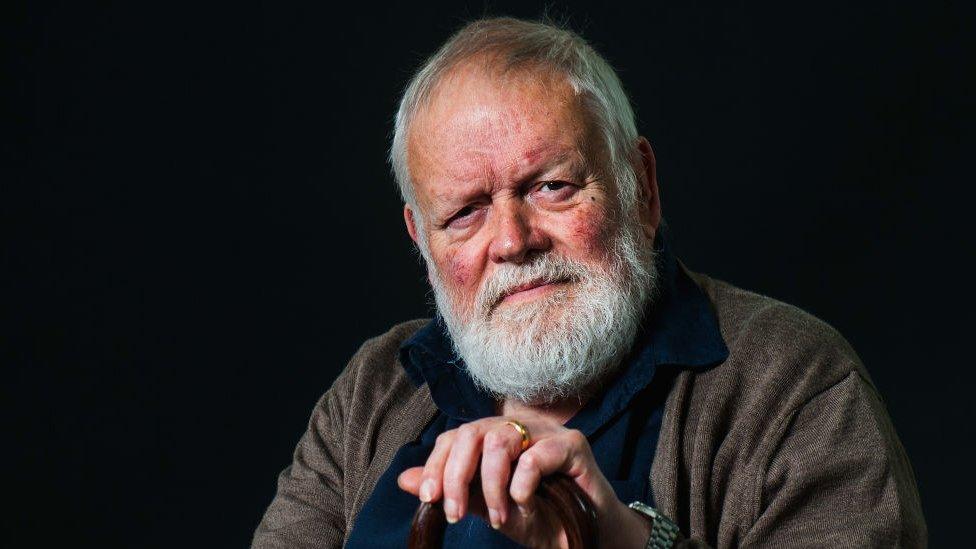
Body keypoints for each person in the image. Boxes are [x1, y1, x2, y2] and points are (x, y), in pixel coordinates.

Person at [252, 17, 926, 548]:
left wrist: (623, 541)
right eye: (465, 212)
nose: (513, 241)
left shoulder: (795, 382)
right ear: (423, 244)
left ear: (642, 189)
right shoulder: (372, 390)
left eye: (552, 187)